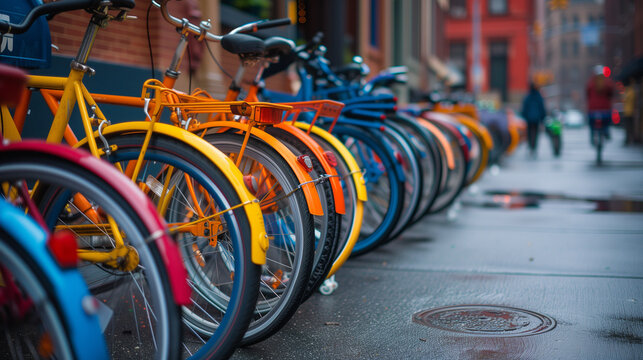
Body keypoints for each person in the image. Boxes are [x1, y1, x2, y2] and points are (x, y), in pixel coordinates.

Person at [585, 65, 614, 145]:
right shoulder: (607, 82)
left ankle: (592, 136)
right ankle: (606, 131)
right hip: (605, 109)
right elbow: (611, 93)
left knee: (591, 124)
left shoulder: (591, 82)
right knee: (607, 122)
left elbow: (587, 94)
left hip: (593, 109)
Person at [520, 82, 546, 155]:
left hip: (529, 118)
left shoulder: (528, 96)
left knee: (529, 132)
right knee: (536, 133)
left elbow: (524, 108)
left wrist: (524, 116)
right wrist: (542, 117)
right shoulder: (539, 97)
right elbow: (542, 108)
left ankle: (530, 145)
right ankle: (534, 146)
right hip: (536, 118)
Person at [623, 78, 636, 145]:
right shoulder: (629, 90)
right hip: (627, 111)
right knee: (628, 127)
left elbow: (626, 99)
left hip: (630, 112)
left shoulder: (630, 91)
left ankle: (630, 139)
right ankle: (629, 139)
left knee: (629, 127)